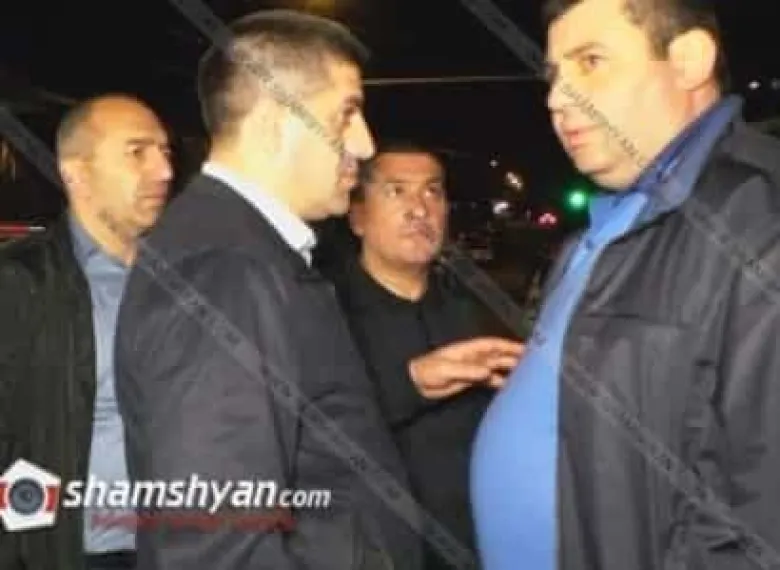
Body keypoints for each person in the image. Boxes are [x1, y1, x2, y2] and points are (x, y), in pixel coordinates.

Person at [471, 0, 780, 569]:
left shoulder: (758, 219)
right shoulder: (601, 228)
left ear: (687, 60)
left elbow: (760, 516)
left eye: (590, 62)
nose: (556, 98)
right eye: (554, 75)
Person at [114, 11, 422, 570]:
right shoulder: (226, 269)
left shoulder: (247, 251)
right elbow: (216, 547)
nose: (365, 143)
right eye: (346, 113)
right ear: (274, 122)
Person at [324, 142, 523, 569]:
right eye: (396, 191)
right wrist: (408, 383)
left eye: (433, 191)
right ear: (357, 216)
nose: (420, 209)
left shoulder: (480, 310)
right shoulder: (322, 312)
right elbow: (305, 431)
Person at [0, 94, 173, 570]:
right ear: (77, 173)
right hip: (74, 552)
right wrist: (21, 548)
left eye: (165, 152)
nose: (163, 170)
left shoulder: (188, 279)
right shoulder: (21, 282)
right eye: (137, 152)